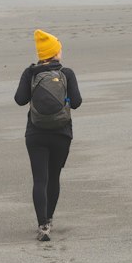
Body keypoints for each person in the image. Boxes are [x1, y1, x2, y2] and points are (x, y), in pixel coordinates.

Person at [14, 29, 83, 242]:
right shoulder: (67, 73)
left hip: (35, 133)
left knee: (39, 179)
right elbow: (78, 102)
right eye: (59, 48)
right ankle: (50, 219)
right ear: (54, 52)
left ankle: (42, 225)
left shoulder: (30, 73)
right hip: (62, 133)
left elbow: (19, 99)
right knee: (54, 178)